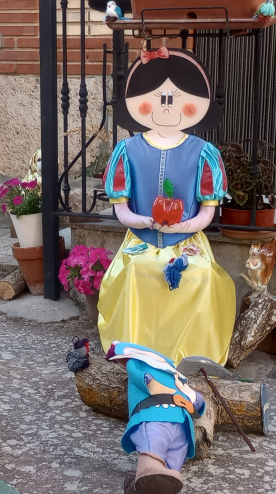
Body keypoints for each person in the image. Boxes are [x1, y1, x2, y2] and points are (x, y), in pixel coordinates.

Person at [99, 46, 236, 363]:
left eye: (175, 98)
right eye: (159, 97)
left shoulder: (204, 153)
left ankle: (192, 356)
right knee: (136, 270)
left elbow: (207, 212)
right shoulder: (126, 151)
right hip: (141, 240)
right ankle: (137, 353)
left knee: (201, 274)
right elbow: (122, 211)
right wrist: (143, 222)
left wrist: (186, 225)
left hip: (187, 242)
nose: (166, 106)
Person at [109, 341, 205, 494]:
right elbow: (138, 376)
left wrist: (193, 396)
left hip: (182, 424)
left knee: (173, 465)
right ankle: (149, 469)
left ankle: (141, 487)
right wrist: (149, 380)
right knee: (154, 444)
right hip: (155, 415)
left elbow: (198, 405)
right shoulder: (137, 363)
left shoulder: (177, 378)